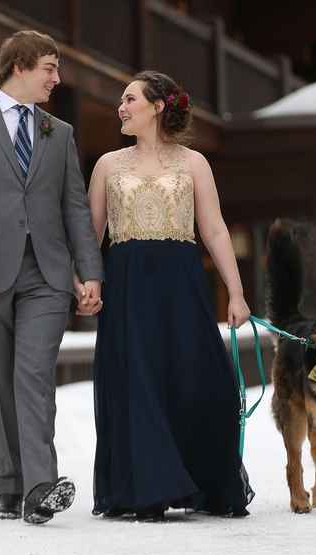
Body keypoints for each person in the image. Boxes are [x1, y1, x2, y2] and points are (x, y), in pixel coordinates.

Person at [0, 30, 103, 525]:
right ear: (20, 67)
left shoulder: (61, 133)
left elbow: (74, 207)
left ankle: (39, 488)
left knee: (33, 376)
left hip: (48, 276)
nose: (57, 78)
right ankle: (9, 486)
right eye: (50, 68)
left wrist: (89, 271)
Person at [86, 70, 254, 521]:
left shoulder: (195, 163)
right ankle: (147, 490)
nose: (121, 107)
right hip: (126, 285)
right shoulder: (107, 165)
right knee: (135, 382)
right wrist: (87, 282)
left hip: (182, 284)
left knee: (197, 377)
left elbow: (214, 229)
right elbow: (91, 234)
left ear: (158, 107)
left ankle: (204, 482)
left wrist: (236, 293)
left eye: (130, 99)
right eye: (121, 100)